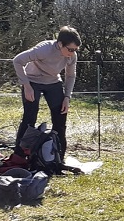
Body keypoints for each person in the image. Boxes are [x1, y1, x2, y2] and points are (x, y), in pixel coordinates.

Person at [13, 26, 80, 155]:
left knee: (60, 117)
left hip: (53, 81)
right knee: (30, 117)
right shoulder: (44, 49)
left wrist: (67, 97)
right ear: (60, 44)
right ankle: (19, 155)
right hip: (32, 81)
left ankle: (58, 156)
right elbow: (17, 60)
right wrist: (26, 85)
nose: (72, 53)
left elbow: (71, 76)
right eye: (70, 49)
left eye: (75, 50)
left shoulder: (72, 56)